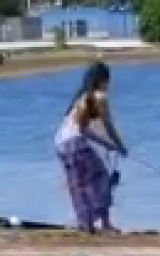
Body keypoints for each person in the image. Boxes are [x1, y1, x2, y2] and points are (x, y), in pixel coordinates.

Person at [54, 61, 128, 233]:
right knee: (101, 179)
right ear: (102, 80)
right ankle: (104, 224)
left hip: (61, 144)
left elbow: (82, 130)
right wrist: (120, 146)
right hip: (75, 143)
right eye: (108, 80)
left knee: (78, 185)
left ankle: (85, 224)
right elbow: (108, 125)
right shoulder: (99, 97)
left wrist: (108, 145)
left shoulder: (82, 98)